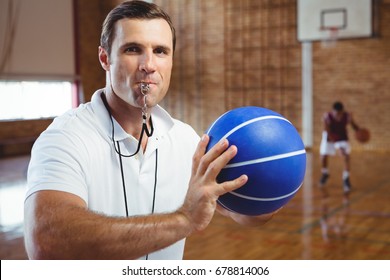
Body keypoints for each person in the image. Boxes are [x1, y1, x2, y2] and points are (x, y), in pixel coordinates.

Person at [24, 0, 277, 260]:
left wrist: (272, 184)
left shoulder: (186, 140)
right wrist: (184, 219)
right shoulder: (65, 138)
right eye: (133, 49)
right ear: (105, 58)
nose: (149, 64)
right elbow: (47, 242)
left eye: (160, 51)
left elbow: (247, 215)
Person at [319, 101, 360, 196]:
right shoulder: (327, 117)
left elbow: (353, 125)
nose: (337, 115)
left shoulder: (347, 116)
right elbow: (328, 131)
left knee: (345, 157)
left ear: (342, 112)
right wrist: (337, 145)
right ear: (333, 111)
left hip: (342, 137)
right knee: (323, 156)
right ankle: (325, 173)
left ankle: (346, 178)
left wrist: (359, 131)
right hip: (330, 137)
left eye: (339, 114)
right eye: (336, 113)